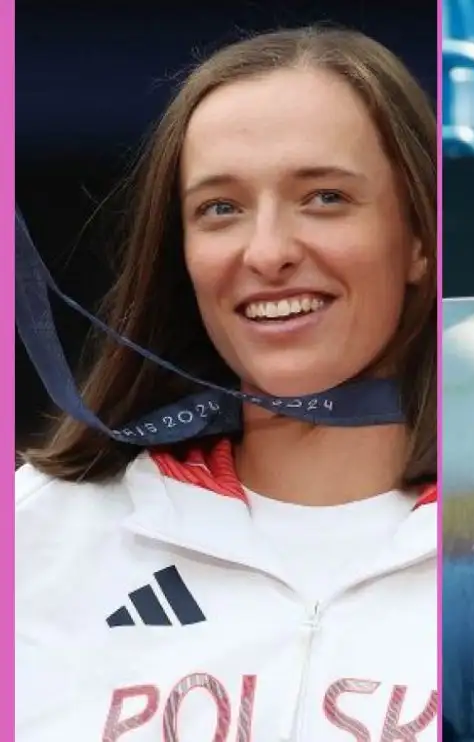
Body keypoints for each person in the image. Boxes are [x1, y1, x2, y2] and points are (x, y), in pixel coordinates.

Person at [14, 27, 438, 741]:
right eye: (220, 208)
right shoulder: (37, 534)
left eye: (325, 197)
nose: (267, 251)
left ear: (419, 239)